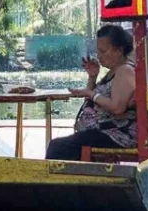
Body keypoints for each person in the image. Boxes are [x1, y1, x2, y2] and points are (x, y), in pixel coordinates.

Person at [46, 25, 137, 160]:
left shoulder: (125, 71)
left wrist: (91, 94)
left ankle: (54, 180)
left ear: (119, 50)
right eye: (98, 51)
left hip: (117, 135)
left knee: (58, 147)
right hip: (102, 132)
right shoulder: (114, 71)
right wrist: (93, 77)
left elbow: (117, 107)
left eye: (103, 51)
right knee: (61, 145)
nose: (99, 56)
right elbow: (95, 104)